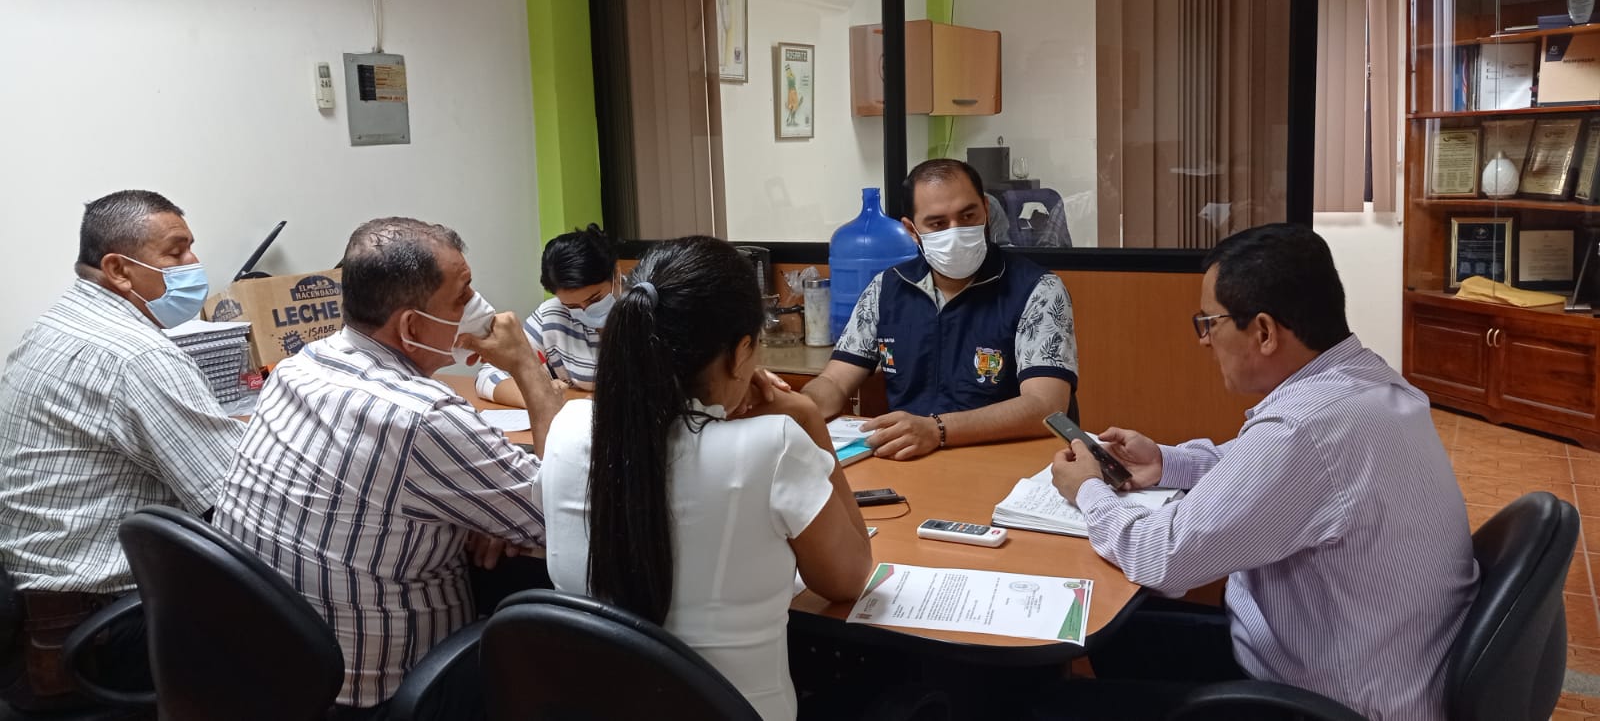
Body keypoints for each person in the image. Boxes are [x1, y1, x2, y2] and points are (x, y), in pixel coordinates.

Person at [1046, 224, 1477, 721]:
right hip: (1367, 665)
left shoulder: (1304, 429)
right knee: (1114, 635)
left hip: (1327, 703)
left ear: (1265, 332)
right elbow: (1257, 467)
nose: (1205, 341)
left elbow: (1160, 558)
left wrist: (1089, 490)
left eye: (1209, 323)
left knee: (1052, 704)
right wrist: (1165, 461)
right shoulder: (1364, 383)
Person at [213, 217, 564, 720]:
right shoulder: (423, 417)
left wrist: (481, 512)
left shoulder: (298, 366)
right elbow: (560, 518)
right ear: (411, 327)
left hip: (270, 668)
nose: (478, 305)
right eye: (462, 295)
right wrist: (527, 367)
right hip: (383, 693)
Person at [541, 236, 872, 721]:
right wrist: (805, 414)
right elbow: (850, 578)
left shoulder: (568, 428)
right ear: (742, 352)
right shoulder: (774, 445)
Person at [0, 189, 240, 711]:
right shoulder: (138, 357)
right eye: (175, 252)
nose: (193, 263)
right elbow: (233, 498)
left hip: (35, 618)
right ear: (118, 270)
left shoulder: (59, 323)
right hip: (99, 636)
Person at [802, 159, 1077, 460]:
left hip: (1005, 463)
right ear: (911, 230)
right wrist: (794, 407)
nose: (956, 231)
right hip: (912, 462)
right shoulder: (886, 289)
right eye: (937, 224)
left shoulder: (1038, 290)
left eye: (968, 215)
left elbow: (1046, 406)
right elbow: (834, 381)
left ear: (986, 210)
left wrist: (938, 430)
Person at [475, 224, 616, 405]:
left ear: (616, 275)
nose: (585, 311)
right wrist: (539, 396)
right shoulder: (553, 315)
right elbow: (489, 375)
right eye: (572, 306)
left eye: (595, 299)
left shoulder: (644, 311)